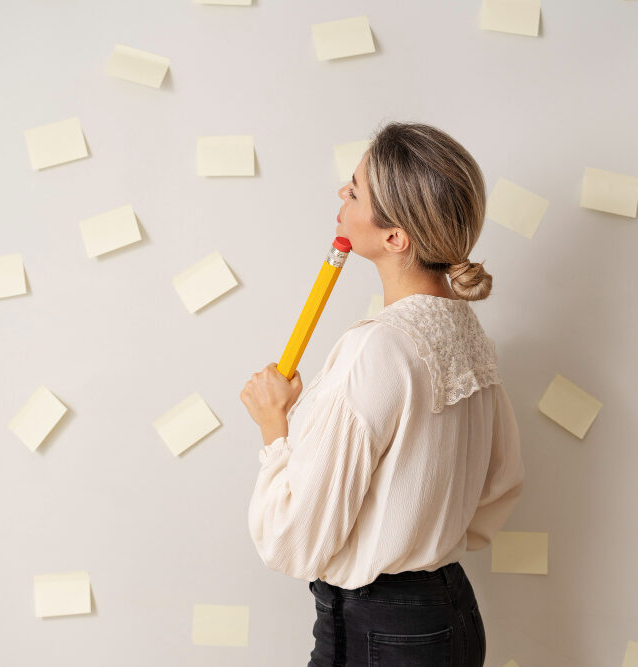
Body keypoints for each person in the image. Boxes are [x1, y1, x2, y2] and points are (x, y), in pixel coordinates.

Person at [240, 121, 525, 666]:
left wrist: (275, 426)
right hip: (450, 616)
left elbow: (294, 540)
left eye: (355, 190)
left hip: (382, 633)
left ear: (397, 238)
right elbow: (501, 485)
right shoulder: (469, 334)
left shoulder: (379, 348)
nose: (340, 196)